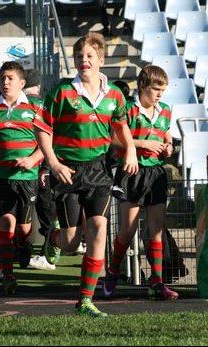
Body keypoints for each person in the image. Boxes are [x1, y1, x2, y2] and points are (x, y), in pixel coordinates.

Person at [33, 31, 138, 317]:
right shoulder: (62, 91)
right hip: (67, 170)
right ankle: (51, 239)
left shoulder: (115, 94)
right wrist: (53, 163)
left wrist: (130, 149)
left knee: (98, 229)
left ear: (101, 59)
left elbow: (120, 127)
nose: (84, 61)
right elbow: (42, 129)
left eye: (90, 56)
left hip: (100, 171)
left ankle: (86, 300)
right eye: (79, 56)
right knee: (70, 242)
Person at [102, 64, 179, 300]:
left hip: (155, 173)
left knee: (156, 229)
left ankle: (156, 281)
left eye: (162, 91)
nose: (159, 95)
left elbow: (167, 137)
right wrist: (143, 145)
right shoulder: (128, 109)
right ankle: (112, 272)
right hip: (132, 172)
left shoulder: (164, 110)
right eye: (155, 90)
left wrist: (168, 147)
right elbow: (114, 140)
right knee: (129, 229)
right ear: (142, 86)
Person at [0, 61, 44, 295]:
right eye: (2, 78)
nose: (5, 82)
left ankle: (23, 246)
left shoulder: (36, 108)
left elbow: (47, 142)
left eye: (10, 78)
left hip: (27, 177)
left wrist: (33, 159)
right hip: (0, 176)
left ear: (22, 83)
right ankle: (8, 275)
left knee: (24, 230)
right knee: (6, 223)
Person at [23, 68, 60, 271]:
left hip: (26, 169)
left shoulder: (21, 105)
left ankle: (47, 255)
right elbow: (49, 138)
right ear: (38, 86)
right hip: (41, 167)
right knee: (45, 211)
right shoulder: (44, 105)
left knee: (31, 212)